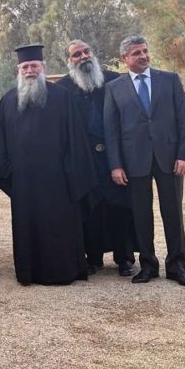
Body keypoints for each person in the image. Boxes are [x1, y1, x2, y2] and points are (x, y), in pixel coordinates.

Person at [0, 44, 96, 286]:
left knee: (60, 227)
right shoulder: (7, 100)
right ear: (18, 70)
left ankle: (63, 272)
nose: (29, 71)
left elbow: (75, 140)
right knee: (27, 229)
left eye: (34, 66)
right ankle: (29, 272)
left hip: (58, 181)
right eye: (25, 67)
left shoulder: (62, 97)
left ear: (43, 68)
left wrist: (71, 175)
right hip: (23, 182)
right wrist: (8, 174)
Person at [104, 35, 185, 288]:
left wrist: (184, 155)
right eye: (136, 53)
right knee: (141, 214)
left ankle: (177, 267)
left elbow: (184, 120)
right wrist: (115, 165)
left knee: (173, 213)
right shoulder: (114, 88)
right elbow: (111, 130)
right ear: (125, 58)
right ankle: (148, 265)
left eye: (145, 51)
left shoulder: (170, 80)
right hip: (133, 160)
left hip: (169, 158)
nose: (143, 56)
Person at [57, 40, 137, 277]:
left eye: (86, 51)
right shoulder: (62, 89)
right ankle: (93, 258)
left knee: (120, 209)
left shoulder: (114, 80)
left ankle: (124, 259)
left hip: (115, 159)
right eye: (76, 54)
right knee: (89, 211)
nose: (83, 56)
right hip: (84, 161)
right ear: (69, 61)